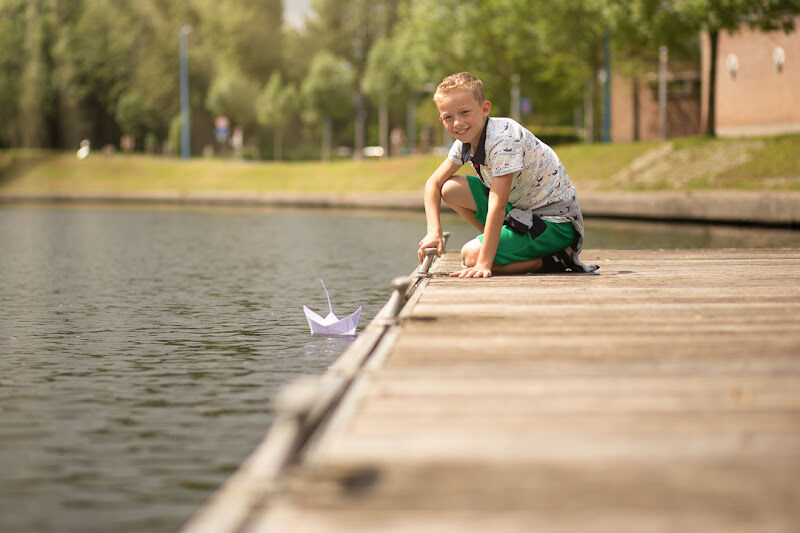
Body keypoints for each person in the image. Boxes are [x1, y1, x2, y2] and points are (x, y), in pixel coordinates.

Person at [417, 71, 597, 278]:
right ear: (442, 119)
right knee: (450, 189)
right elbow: (433, 183)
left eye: (465, 112)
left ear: (485, 109)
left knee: (470, 256)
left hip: (554, 225)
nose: (457, 123)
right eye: (449, 117)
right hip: (522, 214)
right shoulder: (465, 143)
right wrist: (434, 231)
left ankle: (553, 259)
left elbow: (498, 204)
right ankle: (504, 243)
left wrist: (484, 263)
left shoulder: (503, 140)